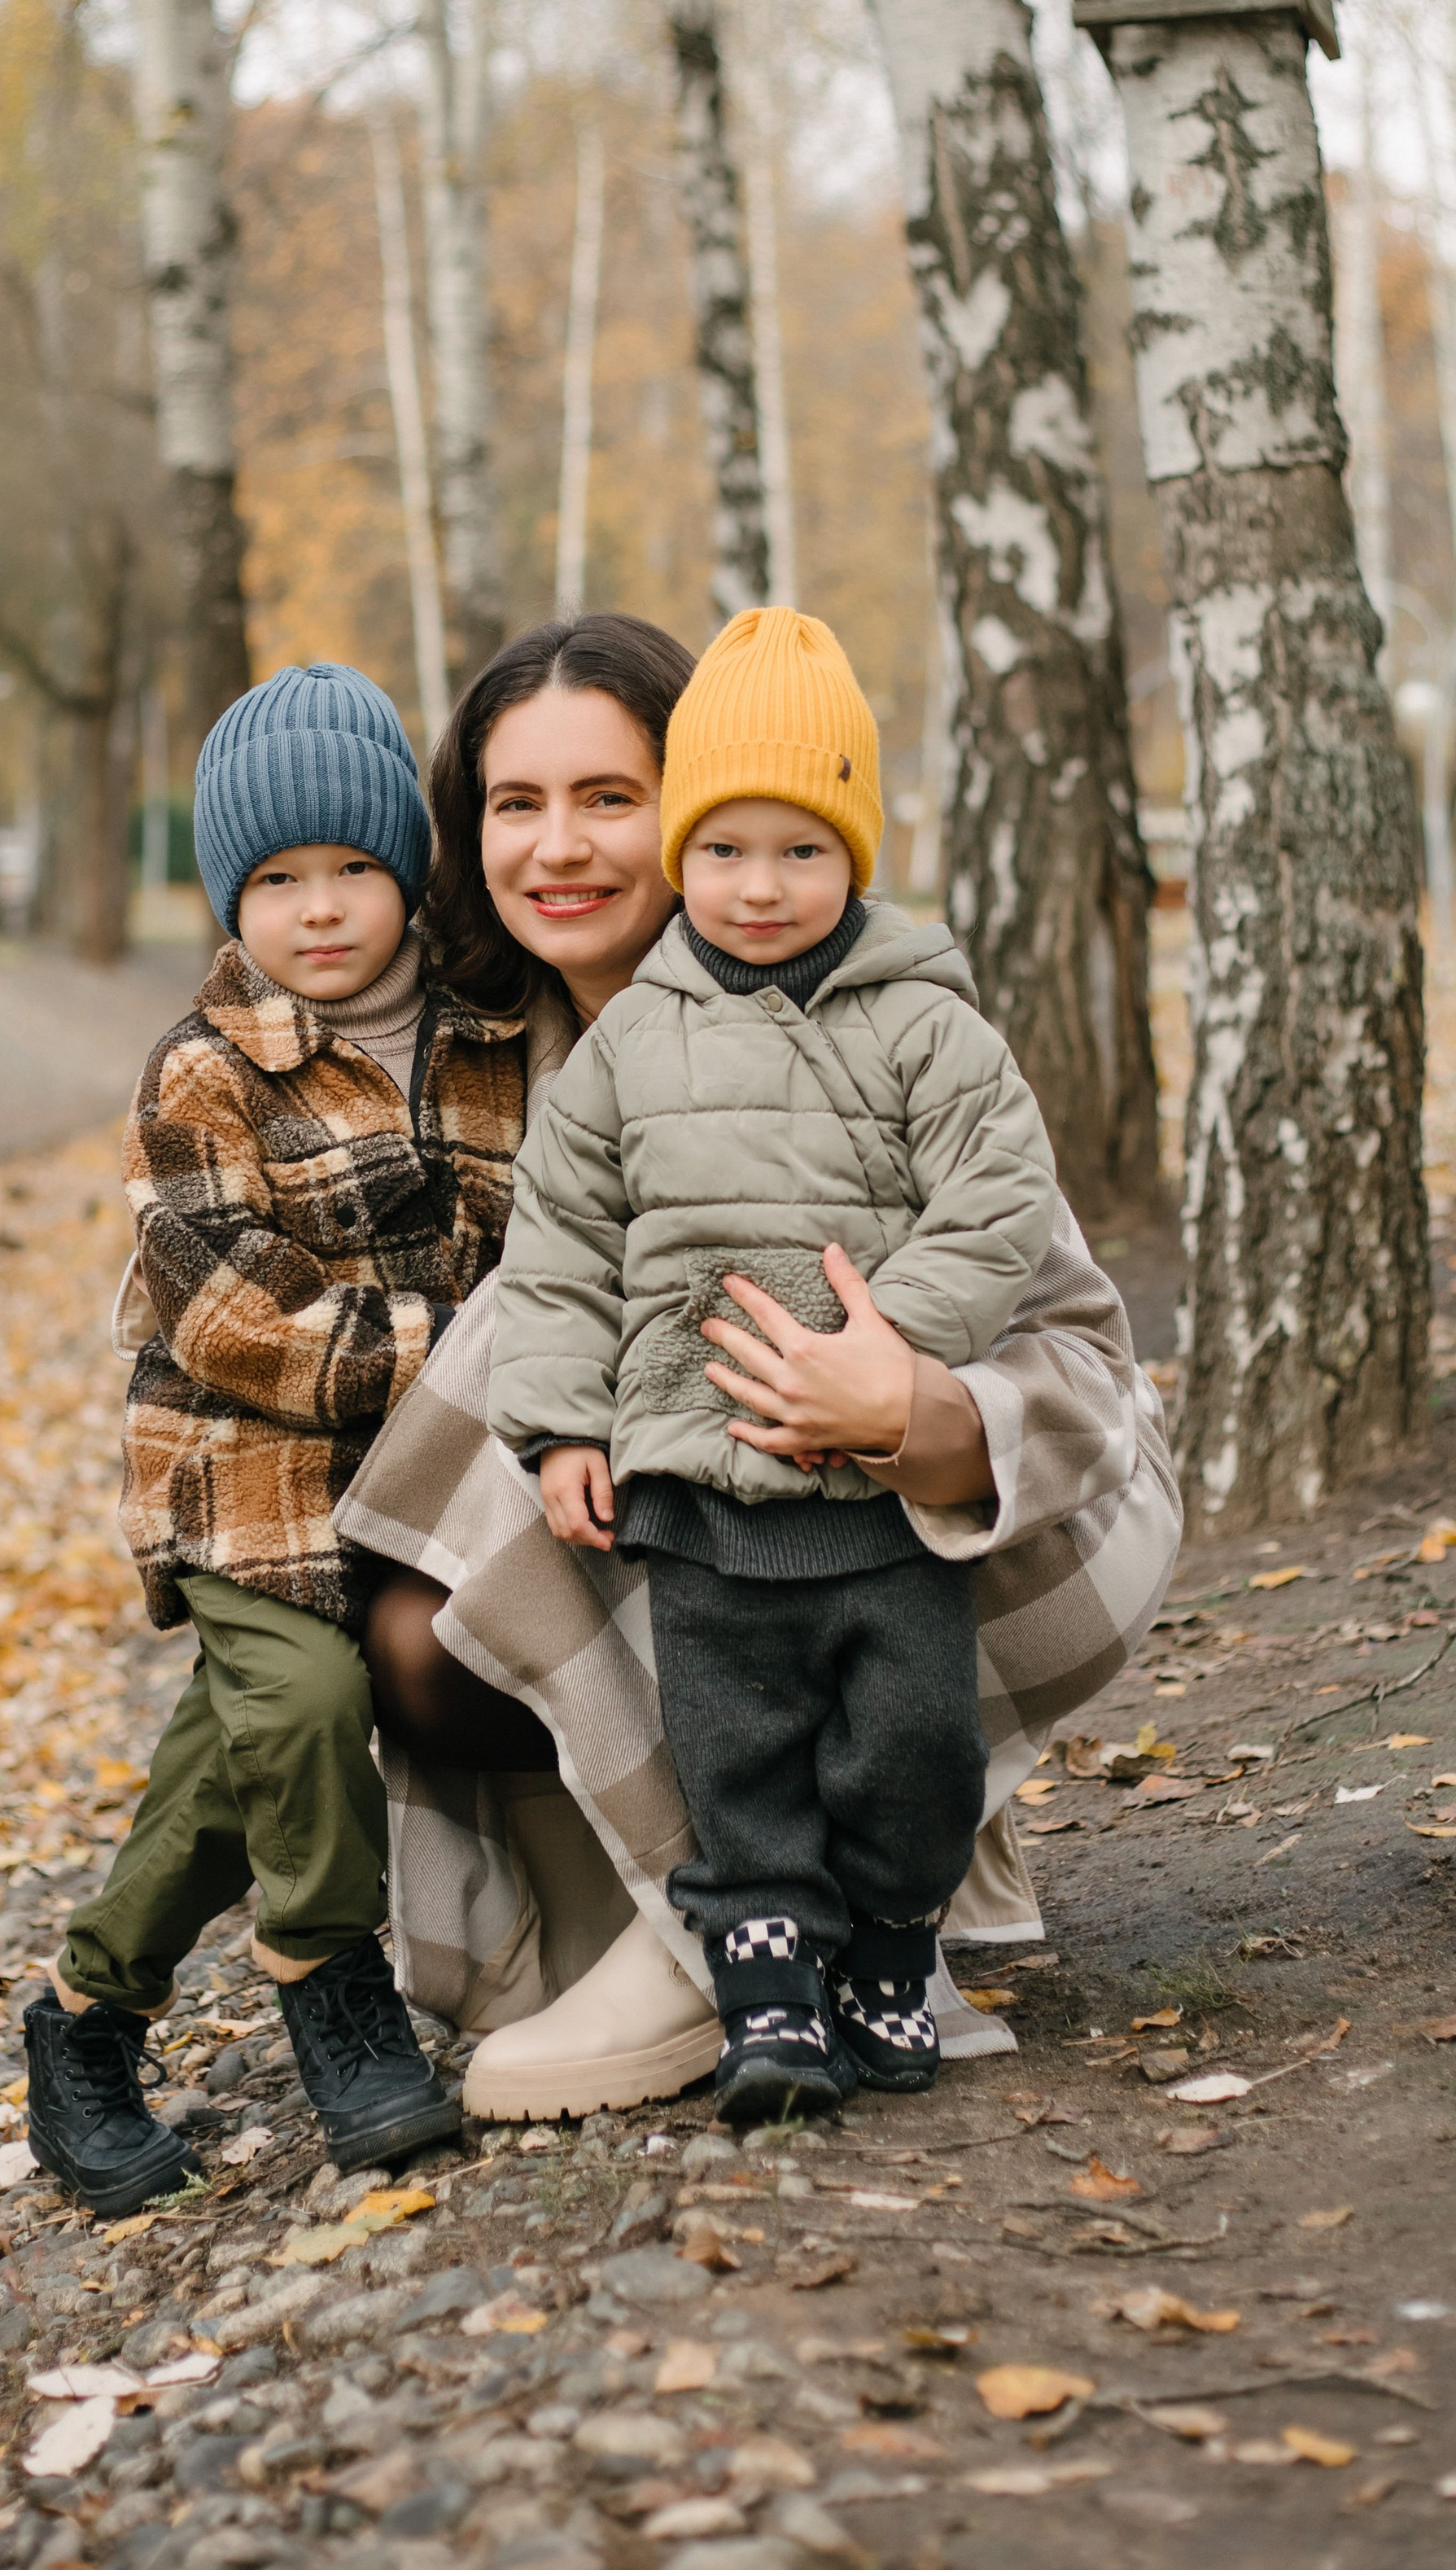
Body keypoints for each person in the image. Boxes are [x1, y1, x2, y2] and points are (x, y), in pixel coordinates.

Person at [338, 612, 1183, 2124]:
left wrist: (910, 1405)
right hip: (707, 1534)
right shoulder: (505, 1058)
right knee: (413, 1592)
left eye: (609, 796)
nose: (558, 846)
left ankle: (777, 1924)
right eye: (516, 802)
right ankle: (692, 1899)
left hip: (976, 1516)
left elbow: (1080, 1353)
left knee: (535, 1344)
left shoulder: (885, 1015)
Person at [488, 607, 1060, 2118]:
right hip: (700, 1477)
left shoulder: (927, 1024)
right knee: (733, 1745)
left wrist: (893, 1346)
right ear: (685, 851)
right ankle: (769, 2001)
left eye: (802, 850)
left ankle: (889, 1939)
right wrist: (561, 1424)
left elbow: (996, 1200)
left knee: (912, 1737)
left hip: (876, 1489)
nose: (759, 885)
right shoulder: (629, 1047)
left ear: (857, 853)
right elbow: (562, 1241)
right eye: (725, 849)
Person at [24, 662, 530, 2212]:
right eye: (277, 880)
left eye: (354, 868)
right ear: (231, 896)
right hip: (245, 1476)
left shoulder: (490, 1030)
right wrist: (472, 1346)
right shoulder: (202, 1069)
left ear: (410, 870)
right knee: (306, 1701)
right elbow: (239, 1317)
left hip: (434, 1477)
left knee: (231, 1760)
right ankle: (330, 1977)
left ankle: (83, 2017)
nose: (320, 909)